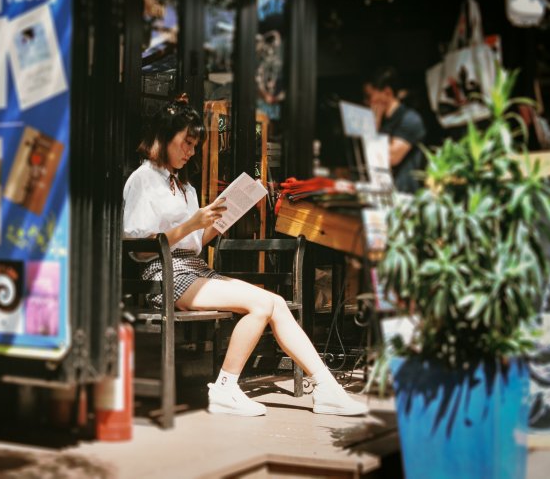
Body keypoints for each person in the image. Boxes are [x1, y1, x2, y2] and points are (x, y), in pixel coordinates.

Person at [122, 94, 369, 417]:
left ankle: (327, 388)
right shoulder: (143, 180)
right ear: (164, 138)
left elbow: (196, 241)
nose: (191, 151)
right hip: (163, 273)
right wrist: (191, 223)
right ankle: (225, 387)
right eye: (187, 142)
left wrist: (220, 220)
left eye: (195, 145)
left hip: (193, 267)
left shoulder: (184, 186)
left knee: (276, 303)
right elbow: (140, 245)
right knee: (260, 304)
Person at [363, 67, 427, 194]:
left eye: (369, 96)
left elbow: (390, 158)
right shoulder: (383, 120)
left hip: (406, 194)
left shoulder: (410, 119)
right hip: (384, 190)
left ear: (387, 92)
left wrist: (374, 125)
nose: (367, 102)